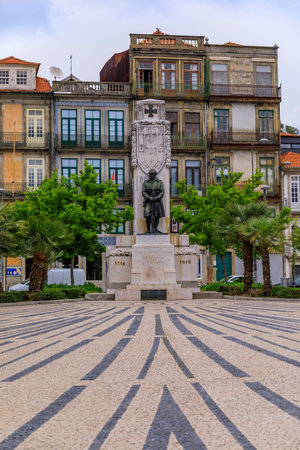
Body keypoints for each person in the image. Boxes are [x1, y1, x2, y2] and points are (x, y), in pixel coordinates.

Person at [142, 169, 165, 233]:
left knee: (157, 216)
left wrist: (157, 197)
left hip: (157, 201)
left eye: (153, 174)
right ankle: (148, 230)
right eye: (150, 174)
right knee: (147, 216)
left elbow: (162, 191)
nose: (151, 175)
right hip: (148, 201)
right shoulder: (146, 182)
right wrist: (149, 197)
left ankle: (155, 229)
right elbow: (143, 192)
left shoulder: (159, 182)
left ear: (155, 174)